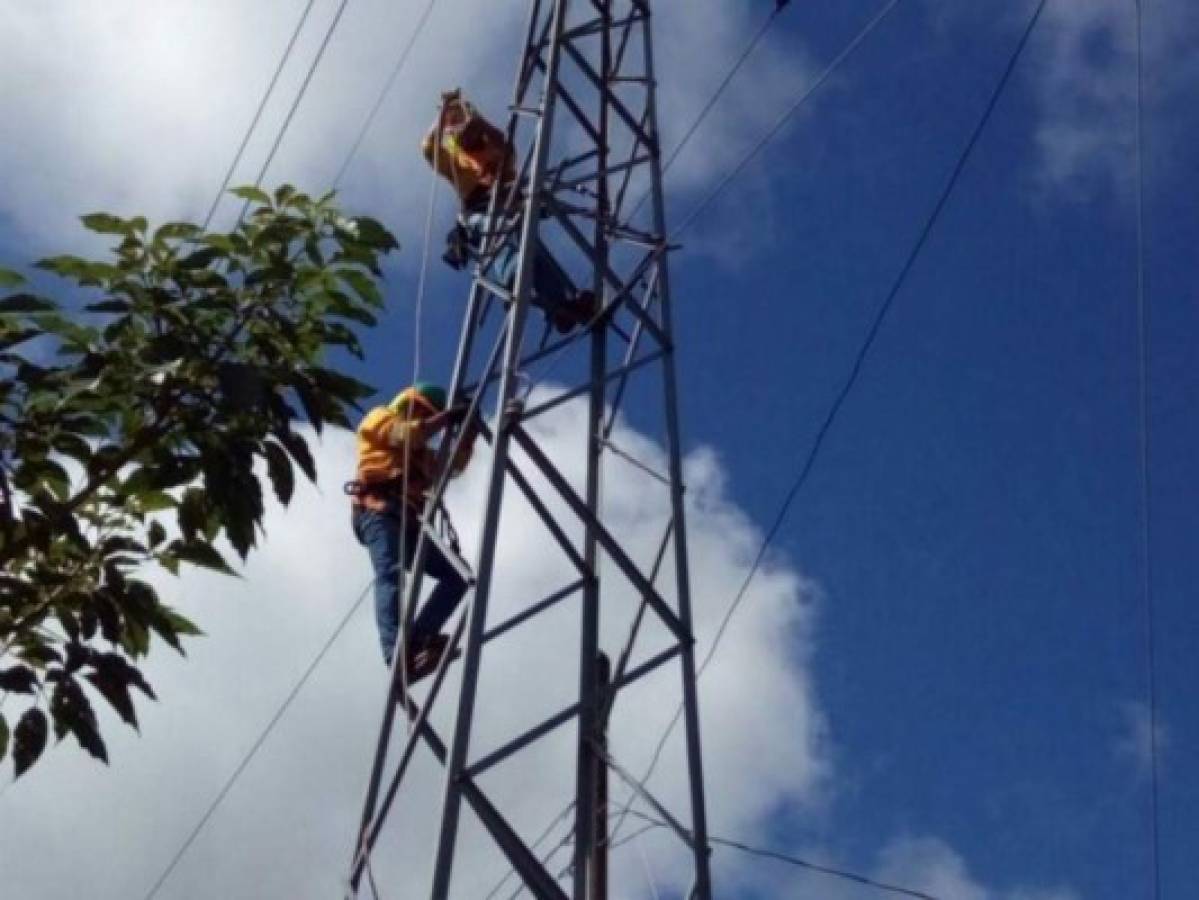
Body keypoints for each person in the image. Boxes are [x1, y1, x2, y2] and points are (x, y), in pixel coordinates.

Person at [422, 90, 598, 332]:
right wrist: (444, 112)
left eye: (461, 119)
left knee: (534, 254)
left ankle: (561, 309)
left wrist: (470, 115)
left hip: (510, 210)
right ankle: (514, 280)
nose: (461, 127)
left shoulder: (494, 145)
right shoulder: (458, 162)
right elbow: (429, 147)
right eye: (454, 124)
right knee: (500, 236)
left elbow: (500, 145)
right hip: (481, 215)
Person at [348, 382, 477, 681]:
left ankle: (418, 639)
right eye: (418, 410)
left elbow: (451, 466)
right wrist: (447, 418)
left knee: (457, 577)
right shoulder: (379, 418)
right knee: (391, 574)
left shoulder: (420, 457)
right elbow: (408, 433)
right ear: (405, 405)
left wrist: (467, 434)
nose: (421, 417)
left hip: (408, 521)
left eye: (426, 413)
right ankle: (395, 652)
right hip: (378, 511)